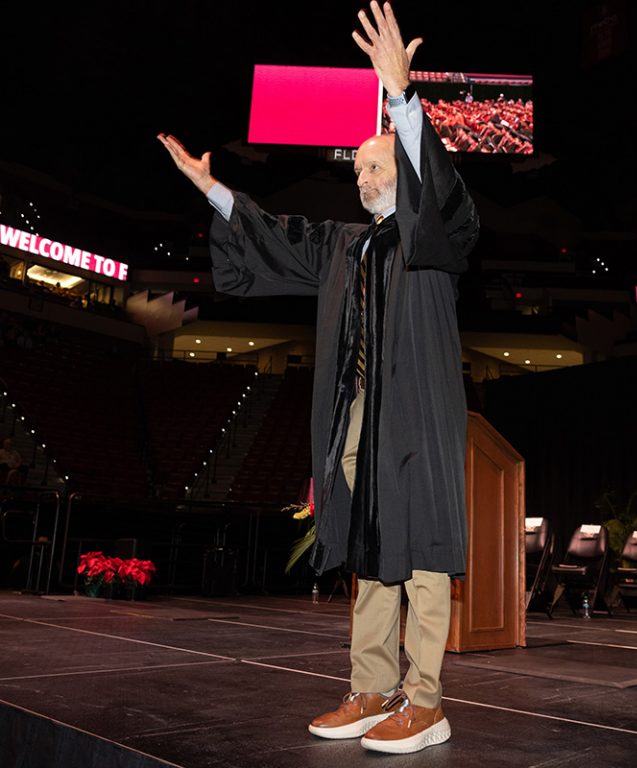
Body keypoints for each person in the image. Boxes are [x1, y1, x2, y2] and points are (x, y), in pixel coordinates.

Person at [158, 1, 478, 755]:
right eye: (358, 166)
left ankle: (426, 702)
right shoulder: (346, 245)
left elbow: (449, 195)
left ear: (403, 166)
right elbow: (275, 239)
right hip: (360, 412)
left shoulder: (436, 240)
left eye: (373, 163)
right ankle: (371, 686)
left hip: (421, 414)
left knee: (424, 548)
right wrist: (213, 190)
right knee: (371, 546)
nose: (360, 173)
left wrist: (401, 99)